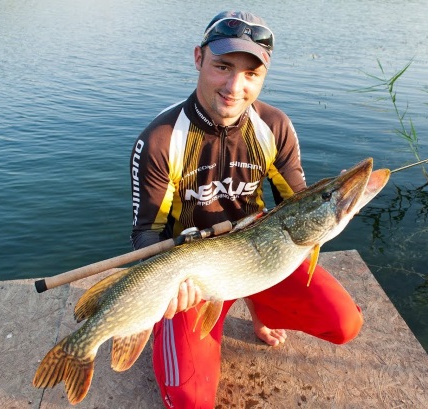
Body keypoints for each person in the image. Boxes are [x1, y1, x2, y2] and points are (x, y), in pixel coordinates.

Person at [129, 10, 363, 408]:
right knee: (189, 399)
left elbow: (296, 201)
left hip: (261, 255)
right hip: (194, 276)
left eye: (251, 74)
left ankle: (257, 301)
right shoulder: (161, 139)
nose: (235, 86)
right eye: (223, 66)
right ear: (198, 58)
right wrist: (166, 289)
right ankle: (166, 323)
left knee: (345, 323)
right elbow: (146, 234)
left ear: (263, 76)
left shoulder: (274, 126)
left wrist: (333, 204)